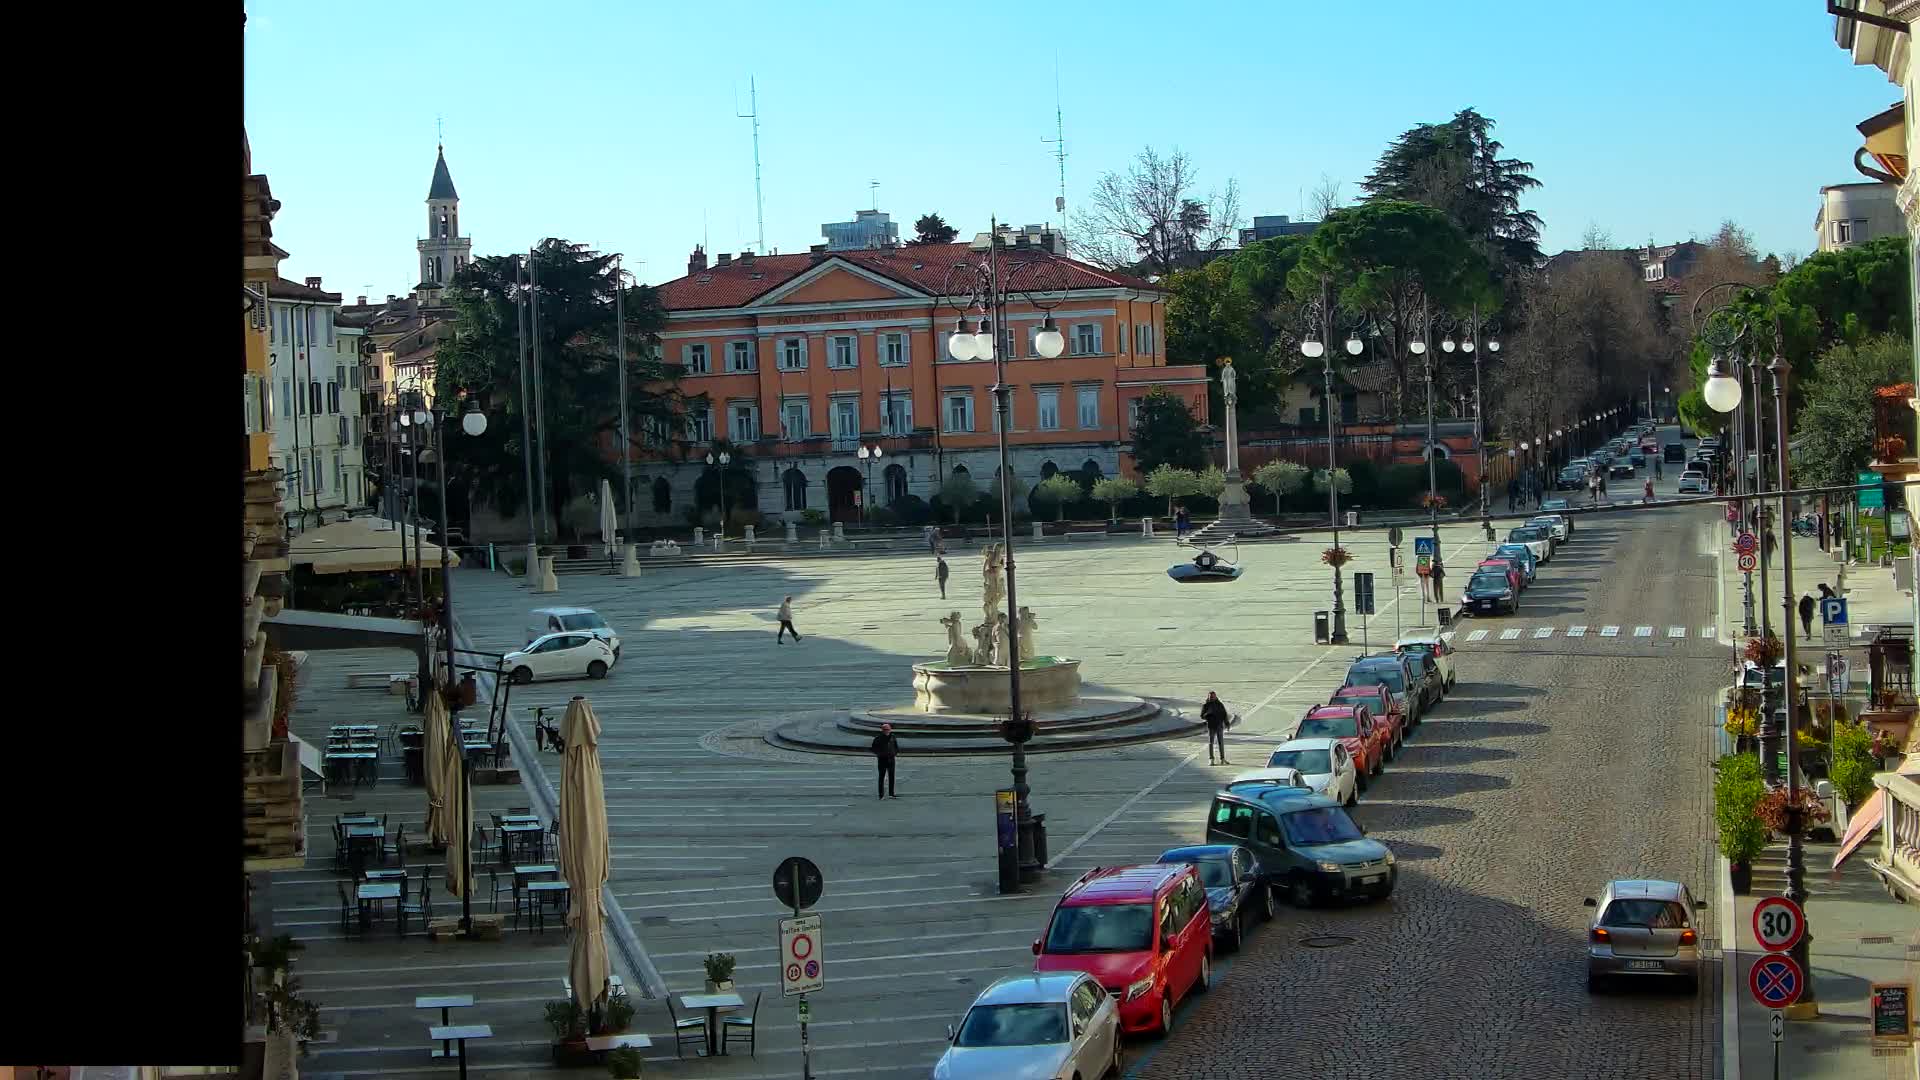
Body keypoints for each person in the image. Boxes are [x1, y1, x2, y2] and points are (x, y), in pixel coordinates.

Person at [1200, 691, 1230, 765]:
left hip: (1219, 725)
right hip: (1211, 726)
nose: (1212, 698)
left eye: (1213, 696)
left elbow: (1224, 714)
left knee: (1221, 743)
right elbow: (1202, 716)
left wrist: (1227, 723)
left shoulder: (1219, 704)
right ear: (1208, 697)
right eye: (1210, 696)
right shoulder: (1206, 705)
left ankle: (1222, 759)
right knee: (1211, 743)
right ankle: (1211, 759)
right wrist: (1207, 713)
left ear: (1216, 696)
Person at [870, 722, 899, 799]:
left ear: (890, 730)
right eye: (885, 729)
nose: (887, 731)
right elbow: (873, 748)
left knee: (892, 777)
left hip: (891, 759)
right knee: (881, 777)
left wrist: (894, 753)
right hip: (882, 760)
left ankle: (891, 793)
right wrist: (879, 754)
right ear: (882, 730)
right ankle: (881, 795)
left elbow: (896, 746)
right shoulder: (878, 738)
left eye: (888, 729)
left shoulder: (893, 737)